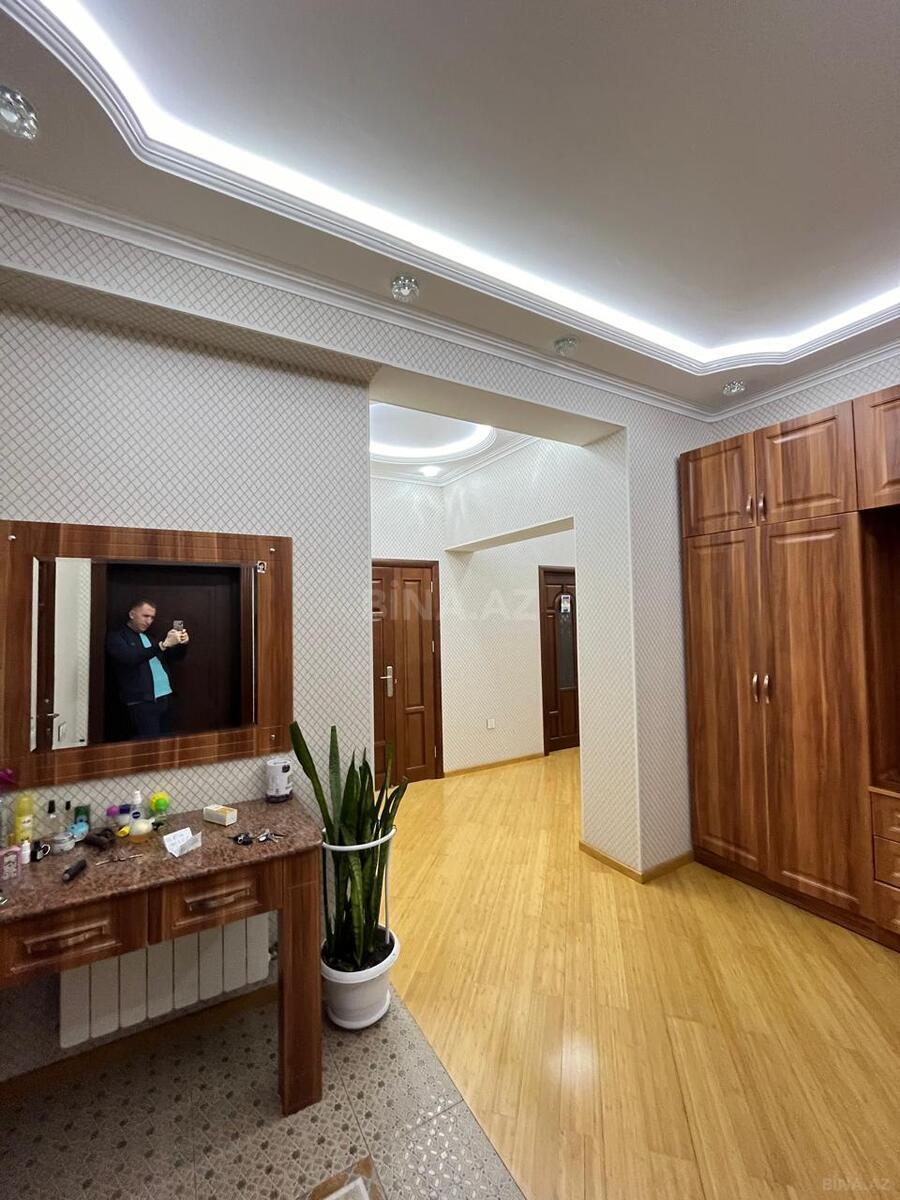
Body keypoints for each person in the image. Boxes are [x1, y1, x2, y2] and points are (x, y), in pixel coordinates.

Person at [105, 600, 189, 739]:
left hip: (165, 698)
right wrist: (162, 645)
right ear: (132, 614)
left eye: (152, 617)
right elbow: (130, 658)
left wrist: (181, 644)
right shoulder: (117, 637)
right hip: (141, 702)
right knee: (148, 745)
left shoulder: (150, 638)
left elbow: (174, 658)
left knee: (168, 742)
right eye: (145, 616)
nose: (149, 621)